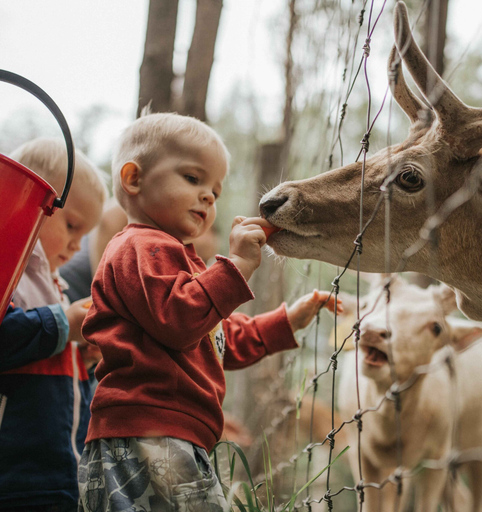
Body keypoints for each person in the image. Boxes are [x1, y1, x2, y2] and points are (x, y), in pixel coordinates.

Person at [77, 112, 341, 511]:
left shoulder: (178, 264)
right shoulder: (141, 247)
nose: (208, 197)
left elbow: (220, 339)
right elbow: (180, 321)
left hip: (166, 435)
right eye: (193, 178)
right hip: (146, 435)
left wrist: (286, 320)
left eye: (215, 191)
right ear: (133, 178)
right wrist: (237, 266)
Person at [0, 138, 107, 512]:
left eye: (84, 235)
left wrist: (80, 351)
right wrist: (64, 324)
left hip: (59, 473)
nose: (77, 245)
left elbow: (40, 350)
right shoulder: (7, 278)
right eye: (72, 225)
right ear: (30, 201)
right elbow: (7, 338)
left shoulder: (53, 286)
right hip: (17, 479)